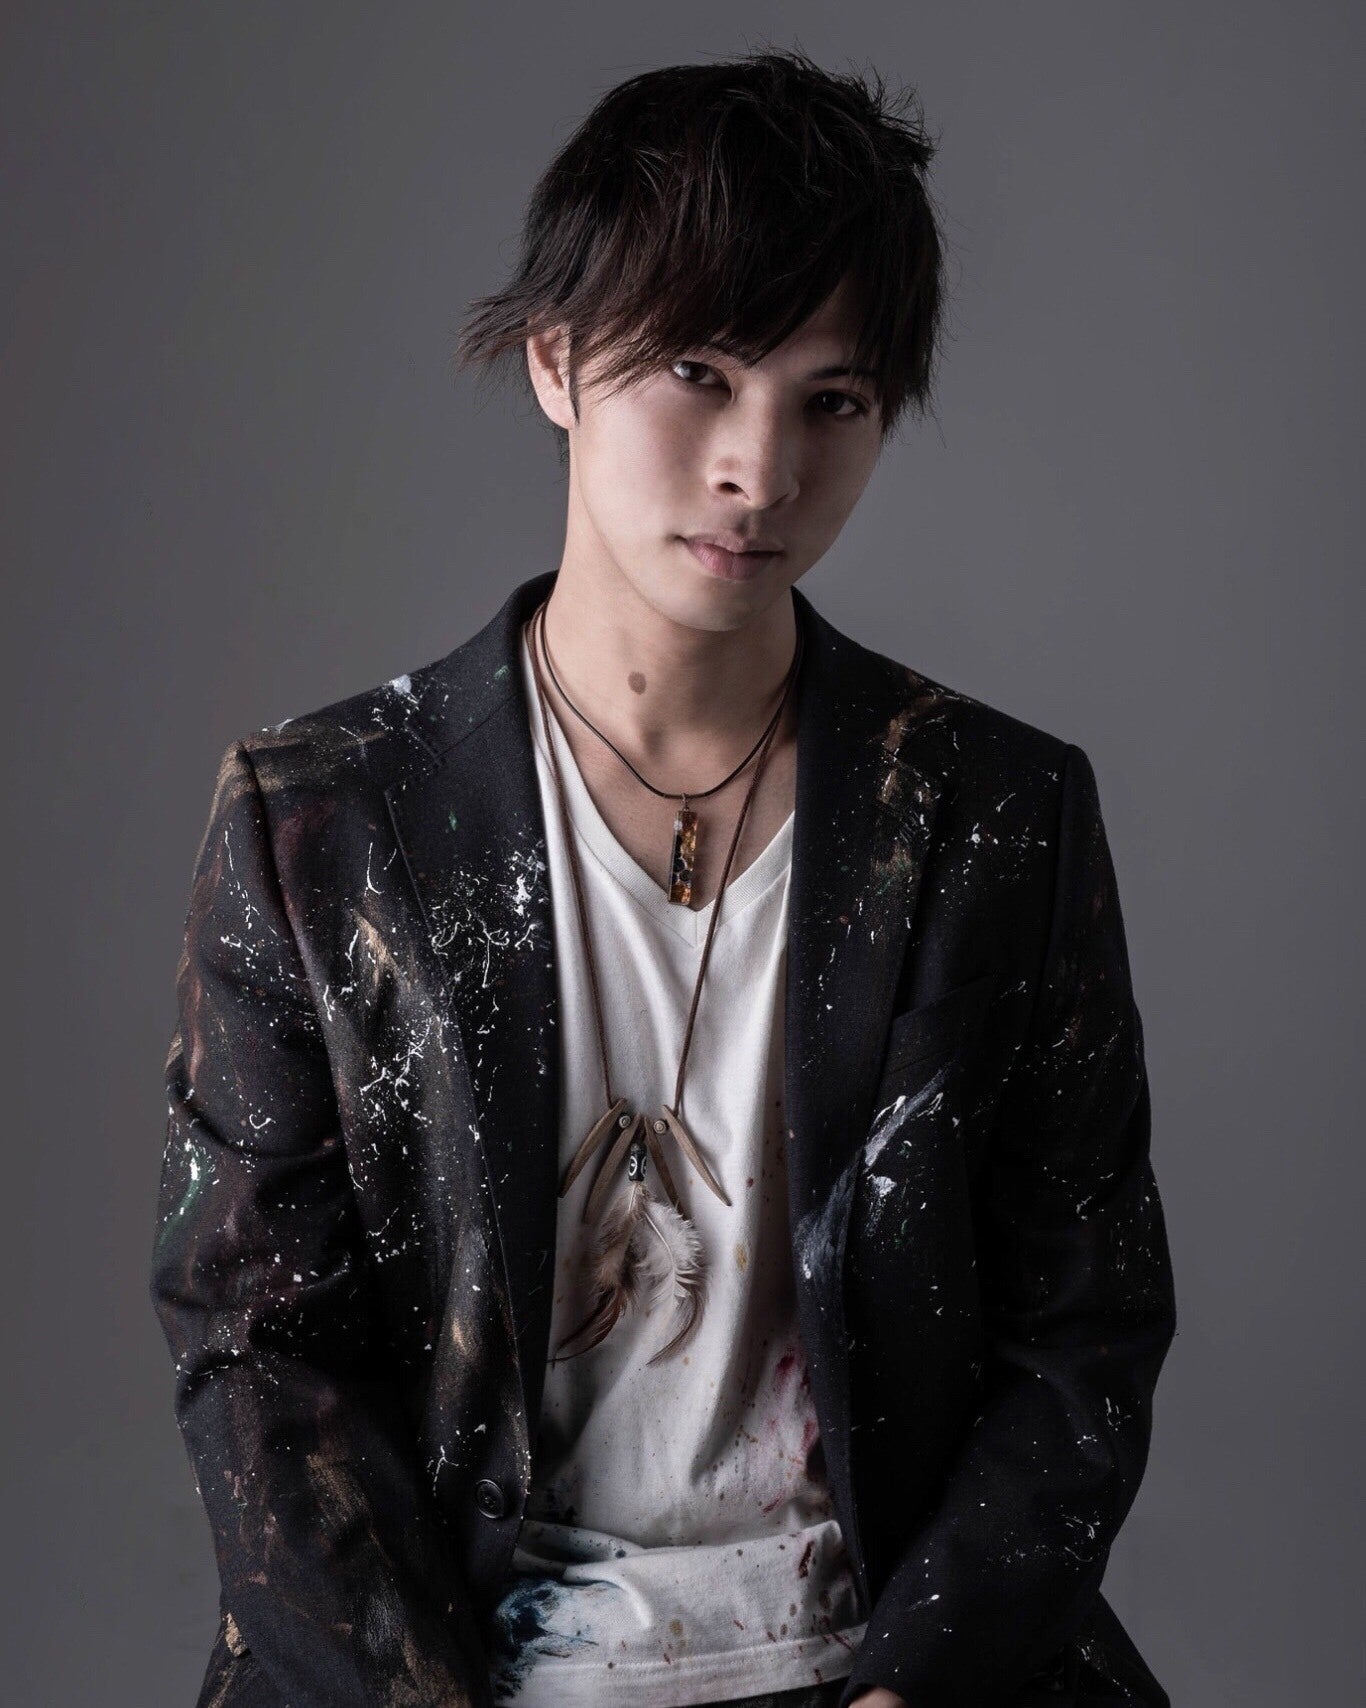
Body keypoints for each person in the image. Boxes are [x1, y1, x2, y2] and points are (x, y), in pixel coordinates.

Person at [150, 47, 1177, 1708]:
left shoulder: (996, 811)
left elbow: (1084, 1327)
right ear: (554, 360)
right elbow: (258, 1350)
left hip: (890, 1663)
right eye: (698, 371)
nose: (760, 471)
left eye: (831, 402)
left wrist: (909, 1691)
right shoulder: (320, 823)